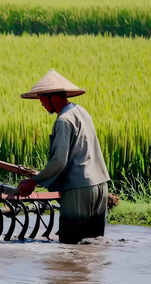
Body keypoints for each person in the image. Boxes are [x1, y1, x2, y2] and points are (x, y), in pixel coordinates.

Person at [17, 69, 110, 244]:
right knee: (93, 245)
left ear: (54, 97)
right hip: (100, 186)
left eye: (43, 99)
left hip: (78, 191)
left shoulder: (63, 121)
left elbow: (59, 161)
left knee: (70, 244)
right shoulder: (81, 111)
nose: (42, 104)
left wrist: (34, 181)